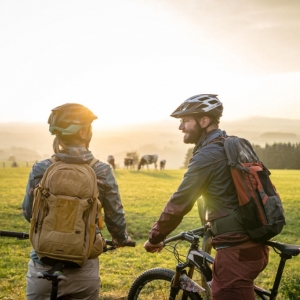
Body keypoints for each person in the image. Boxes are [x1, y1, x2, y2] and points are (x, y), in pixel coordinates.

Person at [143, 94, 269, 300]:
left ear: (204, 121)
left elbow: (181, 200)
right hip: (251, 243)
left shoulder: (208, 155)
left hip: (236, 249)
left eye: (185, 121)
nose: (180, 127)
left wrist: (155, 237)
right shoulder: (229, 147)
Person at [22, 103, 131, 300]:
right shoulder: (102, 171)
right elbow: (115, 216)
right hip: (84, 270)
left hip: (42, 267)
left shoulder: (41, 169)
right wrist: (121, 239)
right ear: (83, 132)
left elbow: (29, 212)